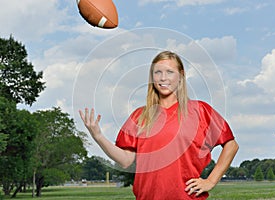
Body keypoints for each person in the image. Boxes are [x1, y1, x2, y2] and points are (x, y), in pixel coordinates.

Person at [79, 51, 239, 200]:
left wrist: (210, 181)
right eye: (158, 72)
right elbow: (126, 160)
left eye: (169, 72)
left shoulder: (200, 111)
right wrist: (98, 136)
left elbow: (231, 145)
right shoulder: (140, 116)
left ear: (181, 76)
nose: (163, 78)